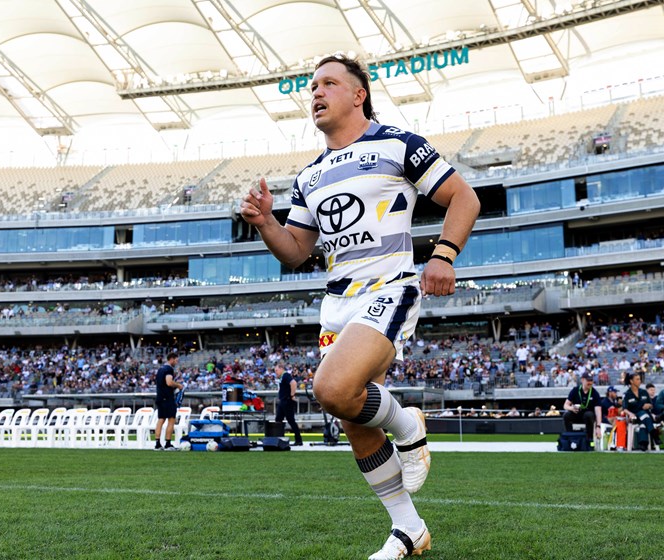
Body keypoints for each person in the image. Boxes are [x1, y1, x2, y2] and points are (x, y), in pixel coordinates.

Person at [240, 53, 479, 560]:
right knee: (349, 414)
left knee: (330, 388)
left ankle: (409, 425)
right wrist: (266, 224)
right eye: (311, 88)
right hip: (337, 301)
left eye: (328, 83)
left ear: (358, 94)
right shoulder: (309, 175)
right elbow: (297, 251)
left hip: (388, 286)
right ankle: (408, 529)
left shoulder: (399, 144)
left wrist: (444, 255)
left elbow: (464, 198)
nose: (316, 94)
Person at [562, 372, 603, 444]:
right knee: (566, 415)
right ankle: (570, 437)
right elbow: (565, 405)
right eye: (588, 380)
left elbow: (598, 411)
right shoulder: (575, 390)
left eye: (591, 380)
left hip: (588, 416)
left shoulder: (595, 393)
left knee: (589, 415)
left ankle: (589, 439)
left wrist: (598, 426)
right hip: (576, 413)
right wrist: (572, 408)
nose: (590, 382)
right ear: (582, 380)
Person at [154, 352, 183, 451]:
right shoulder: (169, 369)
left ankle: (157, 444)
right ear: (172, 359)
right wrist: (178, 385)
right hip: (167, 397)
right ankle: (168, 443)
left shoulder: (160, 369)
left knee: (161, 420)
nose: (176, 362)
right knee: (171, 419)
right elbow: (169, 382)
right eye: (176, 360)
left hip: (160, 396)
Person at [622, 371, 655, 451]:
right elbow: (624, 408)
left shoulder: (644, 392)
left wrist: (648, 405)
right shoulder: (627, 394)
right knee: (643, 415)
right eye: (637, 379)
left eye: (640, 379)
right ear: (631, 381)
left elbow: (651, 405)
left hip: (645, 416)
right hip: (634, 416)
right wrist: (630, 414)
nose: (639, 381)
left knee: (643, 420)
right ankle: (654, 434)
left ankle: (643, 444)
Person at [275, 362, 303, 446]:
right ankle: (279, 438)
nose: (275, 372)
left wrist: (292, 395)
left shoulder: (286, 375)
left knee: (291, 420)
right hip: (282, 401)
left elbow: (293, 383)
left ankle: (299, 440)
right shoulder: (282, 377)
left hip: (287, 401)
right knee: (278, 419)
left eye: (276, 370)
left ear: (281, 369)